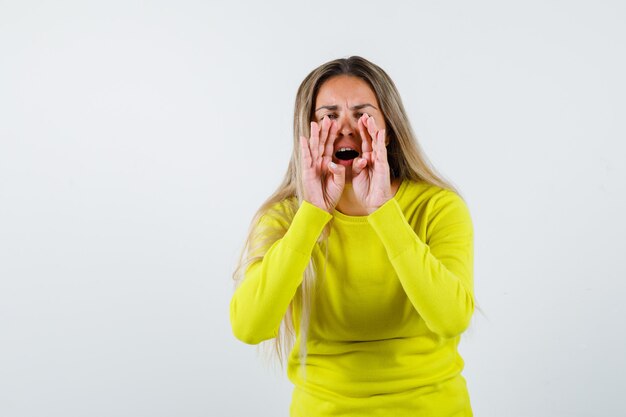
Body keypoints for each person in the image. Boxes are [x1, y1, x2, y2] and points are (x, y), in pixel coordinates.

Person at [230, 56, 475, 416]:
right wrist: (311, 216)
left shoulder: (439, 207)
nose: (346, 128)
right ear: (308, 130)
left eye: (362, 114)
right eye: (329, 116)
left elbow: (452, 318)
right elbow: (250, 326)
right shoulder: (284, 218)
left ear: (388, 128)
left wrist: (384, 211)